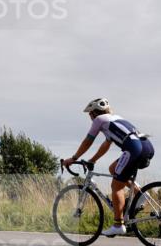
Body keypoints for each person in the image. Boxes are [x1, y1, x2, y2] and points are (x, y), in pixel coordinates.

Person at [60, 98, 154, 237]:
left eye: (90, 114)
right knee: (113, 169)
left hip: (133, 149)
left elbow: (88, 141)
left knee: (116, 186)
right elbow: (106, 144)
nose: (90, 117)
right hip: (147, 147)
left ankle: (118, 225)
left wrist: (73, 158)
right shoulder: (115, 119)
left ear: (94, 112)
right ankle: (140, 194)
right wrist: (92, 160)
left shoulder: (99, 120)